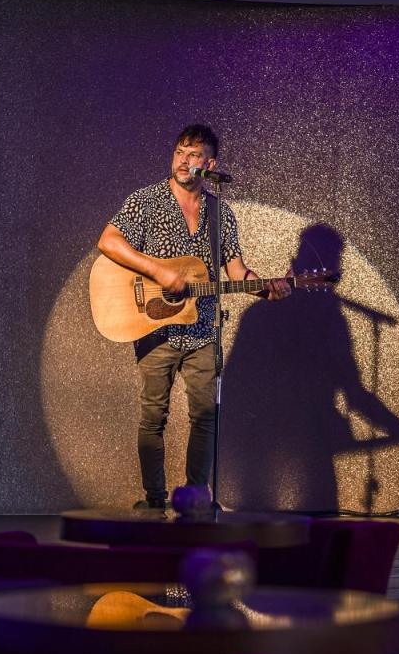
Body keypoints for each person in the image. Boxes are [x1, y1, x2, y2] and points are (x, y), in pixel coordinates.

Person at [97, 124, 290, 508]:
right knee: (154, 415)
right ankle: (154, 499)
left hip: (203, 330)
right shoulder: (146, 201)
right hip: (155, 327)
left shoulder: (220, 213)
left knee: (205, 415)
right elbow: (109, 241)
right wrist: (158, 271)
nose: (184, 162)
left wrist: (264, 287)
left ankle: (195, 496)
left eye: (194, 155)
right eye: (179, 153)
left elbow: (236, 271)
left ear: (210, 164)